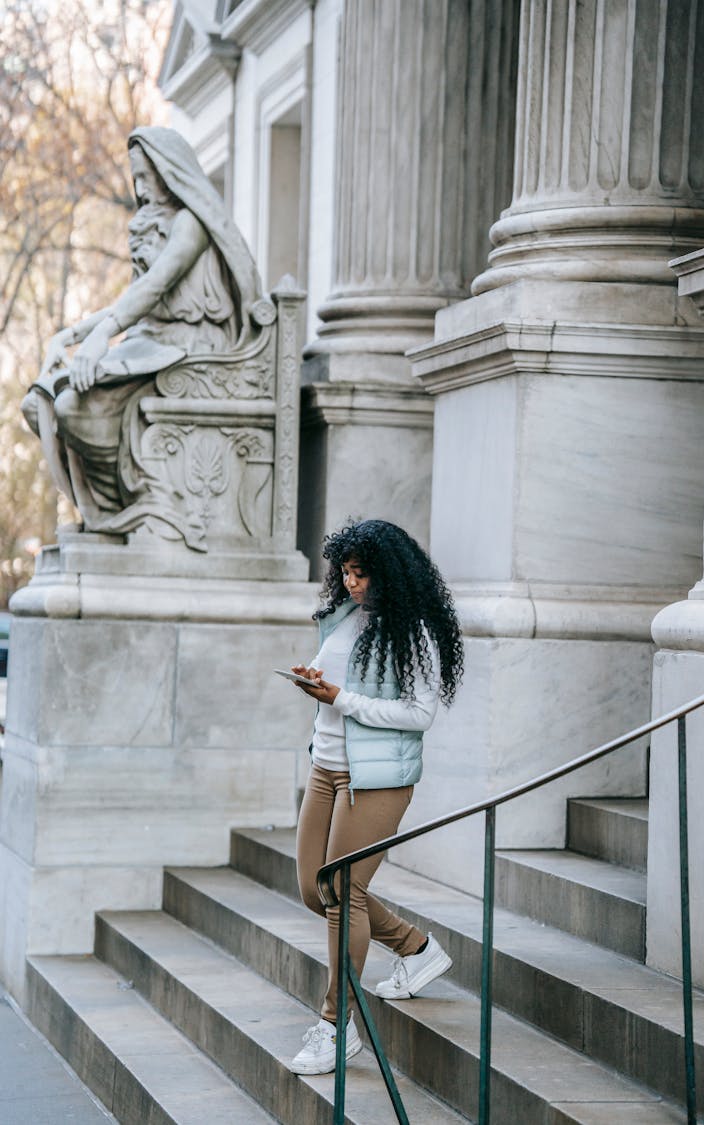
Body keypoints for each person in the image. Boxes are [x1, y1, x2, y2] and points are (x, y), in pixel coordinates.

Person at [21, 126, 262, 548]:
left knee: (72, 407)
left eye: (148, 176)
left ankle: (126, 511)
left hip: (190, 350)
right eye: (136, 178)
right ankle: (109, 513)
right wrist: (75, 333)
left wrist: (101, 338)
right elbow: (136, 298)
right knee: (37, 403)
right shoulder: (148, 225)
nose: (142, 187)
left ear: (170, 173)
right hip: (150, 342)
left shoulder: (191, 222)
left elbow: (156, 286)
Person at [285, 519, 464, 1075]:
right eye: (345, 571)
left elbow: (419, 715)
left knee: (342, 889)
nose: (353, 582)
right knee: (317, 891)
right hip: (325, 768)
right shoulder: (343, 617)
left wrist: (344, 699)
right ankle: (414, 948)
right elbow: (340, 690)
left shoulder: (416, 633)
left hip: (378, 779)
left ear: (391, 572)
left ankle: (337, 1027)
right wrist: (317, 684)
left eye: (362, 573)